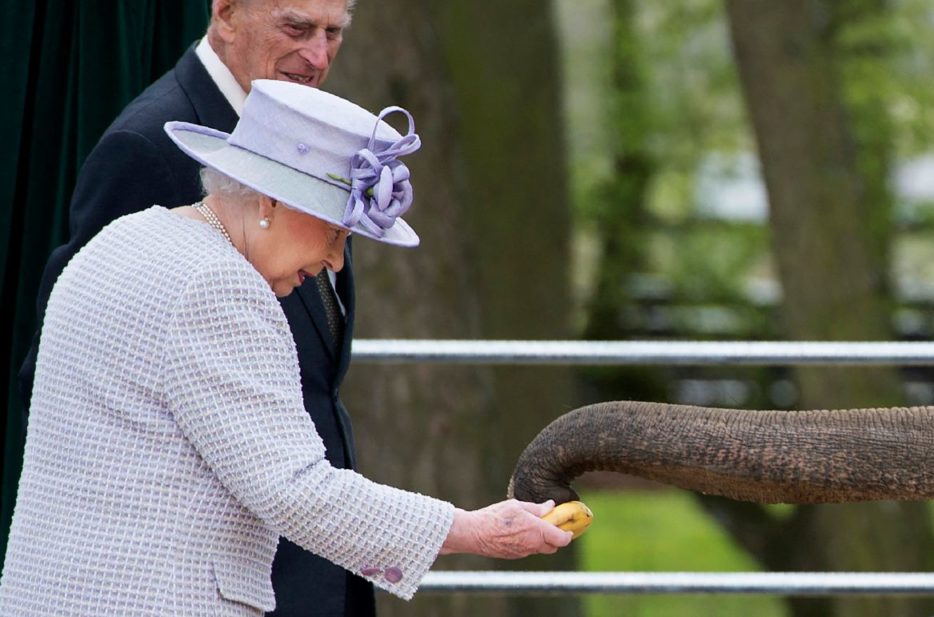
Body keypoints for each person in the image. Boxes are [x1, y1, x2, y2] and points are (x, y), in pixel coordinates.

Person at [0, 79, 572, 616]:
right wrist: (471, 530)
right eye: (337, 234)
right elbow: (294, 489)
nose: (336, 262)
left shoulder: (123, 239)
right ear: (271, 202)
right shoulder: (218, 283)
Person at [15, 1, 372, 614]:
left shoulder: (300, 136)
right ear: (227, 12)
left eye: (332, 32)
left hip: (310, 553)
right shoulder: (149, 145)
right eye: (296, 27)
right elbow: (75, 364)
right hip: (181, 580)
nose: (317, 55)